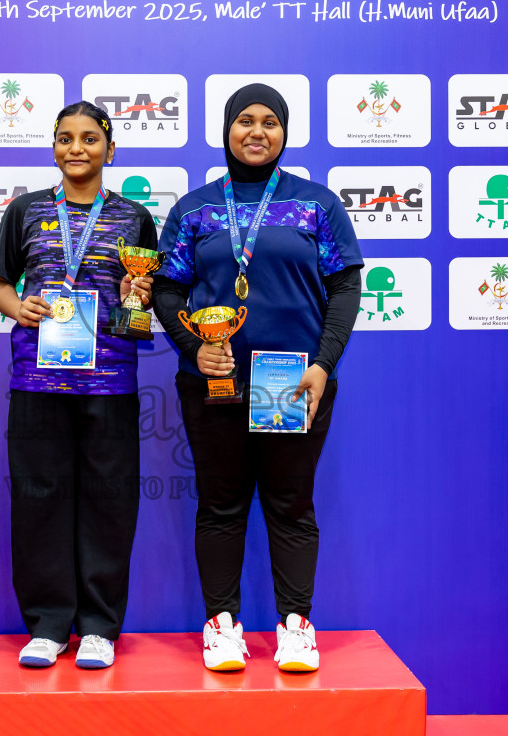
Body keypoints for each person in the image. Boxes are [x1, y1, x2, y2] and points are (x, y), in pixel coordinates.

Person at [151, 83, 363, 674]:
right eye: (244, 120)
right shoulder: (194, 209)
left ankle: (296, 626)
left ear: (285, 134)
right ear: (226, 130)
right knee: (220, 505)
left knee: (290, 503)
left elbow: (346, 287)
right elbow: (166, 290)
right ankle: (222, 625)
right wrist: (196, 349)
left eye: (270, 122)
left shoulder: (316, 204)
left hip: (292, 380)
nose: (256, 132)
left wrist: (323, 364)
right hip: (215, 382)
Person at [0, 101, 157, 670]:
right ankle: (49, 624)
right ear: (53, 147)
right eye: (64, 138)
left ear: (111, 149)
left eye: (88, 138)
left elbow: (140, 301)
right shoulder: (26, 211)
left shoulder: (135, 219)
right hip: (37, 379)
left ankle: (100, 626)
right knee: (39, 499)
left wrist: (139, 300)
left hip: (110, 381)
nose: (75, 149)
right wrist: (20, 305)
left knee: (109, 502)